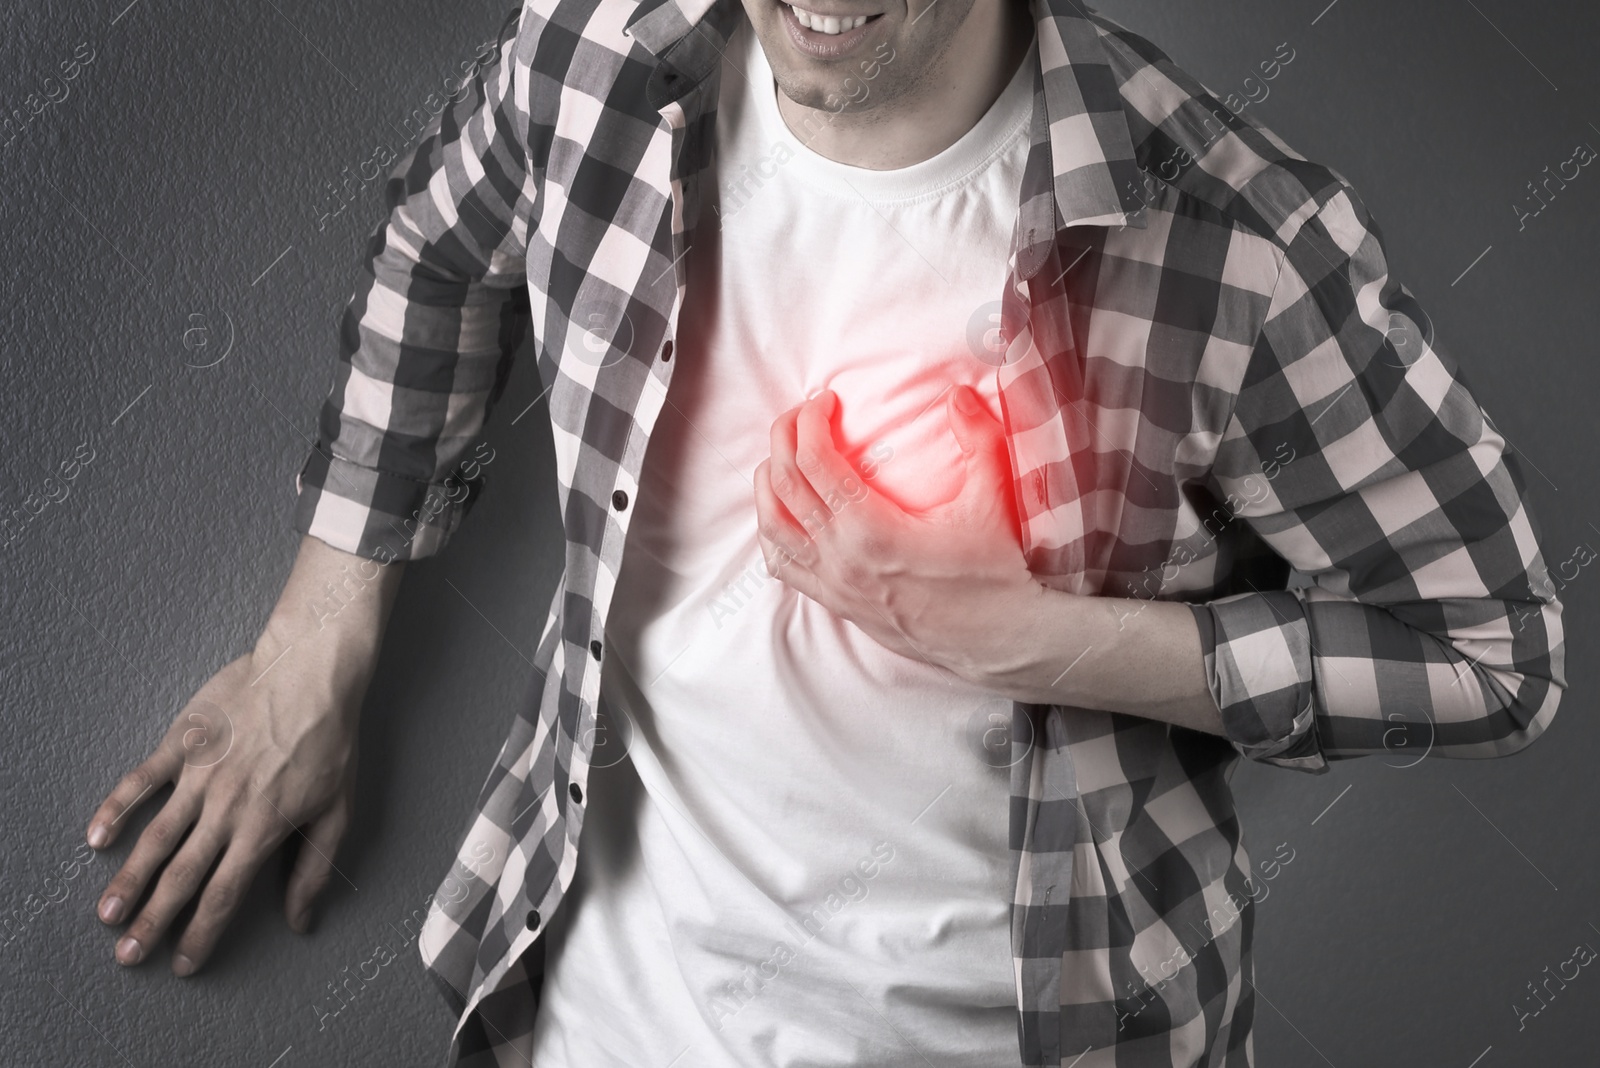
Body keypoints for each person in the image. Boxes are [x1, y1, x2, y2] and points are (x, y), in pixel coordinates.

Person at [84, 0, 1566, 1064]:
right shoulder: (596, 66)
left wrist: (1025, 634)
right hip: (606, 1024)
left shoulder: (1230, 237)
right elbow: (433, 248)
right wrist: (313, 650)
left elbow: (1494, 652)